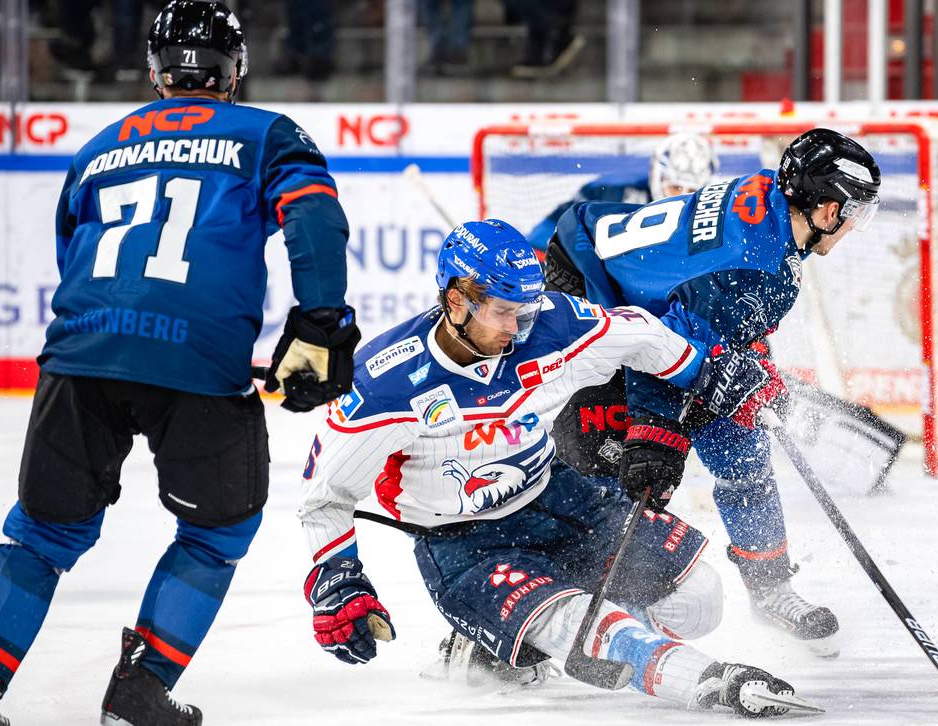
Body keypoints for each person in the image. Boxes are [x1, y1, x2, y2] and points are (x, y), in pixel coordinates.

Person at [0, 3, 359, 725]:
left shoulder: (100, 145)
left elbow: (71, 247)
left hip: (81, 352)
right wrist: (322, 323)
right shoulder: (267, 133)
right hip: (197, 361)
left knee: (41, 532)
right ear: (236, 71)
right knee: (218, 530)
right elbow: (313, 215)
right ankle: (139, 691)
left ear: (155, 71)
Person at [295, 219, 815, 716]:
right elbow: (326, 494)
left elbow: (637, 334)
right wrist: (339, 579)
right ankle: (710, 682)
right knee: (577, 623)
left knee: (700, 601)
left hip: (562, 500)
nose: (520, 328)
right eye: (504, 312)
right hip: (463, 543)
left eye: (527, 310)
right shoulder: (385, 383)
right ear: (456, 299)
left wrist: (708, 370)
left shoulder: (551, 323)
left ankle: (514, 642)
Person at [540, 128, 882, 657]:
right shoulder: (759, 263)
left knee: (741, 445)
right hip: (586, 289)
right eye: (850, 213)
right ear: (820, 207)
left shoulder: (769, 198)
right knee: (614, 463)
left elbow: (715, 317)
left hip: (657, 311)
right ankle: (598, 606)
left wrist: (750, 374)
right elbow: (661, 343)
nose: (852, 227)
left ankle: (771, 590)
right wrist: (658, 434)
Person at [527, 132, 720, 254]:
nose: (681, 197)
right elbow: (548, 231)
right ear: (656, 176)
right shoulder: (609, 192)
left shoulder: (711, 215)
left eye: (693, 191)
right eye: (675, 188)